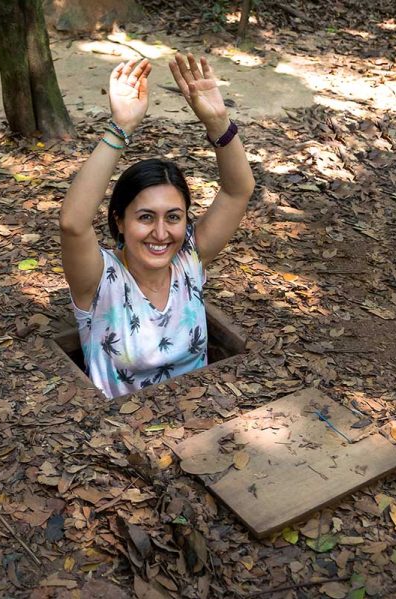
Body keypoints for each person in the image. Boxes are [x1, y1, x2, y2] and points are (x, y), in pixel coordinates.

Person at [59, 54, 255, 399]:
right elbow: (73, 224)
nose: (162, 234)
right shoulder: (99, 280)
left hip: (203, 424)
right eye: (145, 217)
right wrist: (120, 128)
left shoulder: (189, 261)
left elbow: (238, 190)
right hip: (120, 441)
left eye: (174, 217)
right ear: (119, 219)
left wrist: (219, 123)